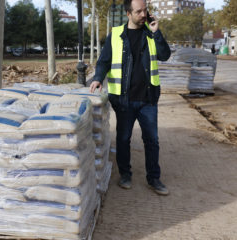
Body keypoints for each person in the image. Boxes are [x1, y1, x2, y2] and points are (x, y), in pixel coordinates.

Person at [89, 0, 171, 195]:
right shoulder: (116, 34)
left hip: (148, 99)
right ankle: (125, 174)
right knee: (124, 139)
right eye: (139, 11)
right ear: (128, 13)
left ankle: (154, 178)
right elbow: (104, 61)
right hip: (124, 99)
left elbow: (165, 55)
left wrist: (157, 32)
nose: (144, 15)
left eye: (145, 10)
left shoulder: (151, 33)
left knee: (152, 140)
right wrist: (98, 78)